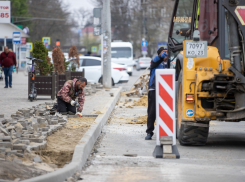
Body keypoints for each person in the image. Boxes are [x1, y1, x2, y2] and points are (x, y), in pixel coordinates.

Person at [145, 47, 168, 140]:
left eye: (167, 52)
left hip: (166, 90)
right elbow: (154, 61)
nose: (166, 54)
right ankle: (149, 132)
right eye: (164, 52)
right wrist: (160, 57)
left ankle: (167, 131)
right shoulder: (155, 62)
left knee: (167, 111)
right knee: (152, 111)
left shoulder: (171, 63)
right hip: (154, 89)